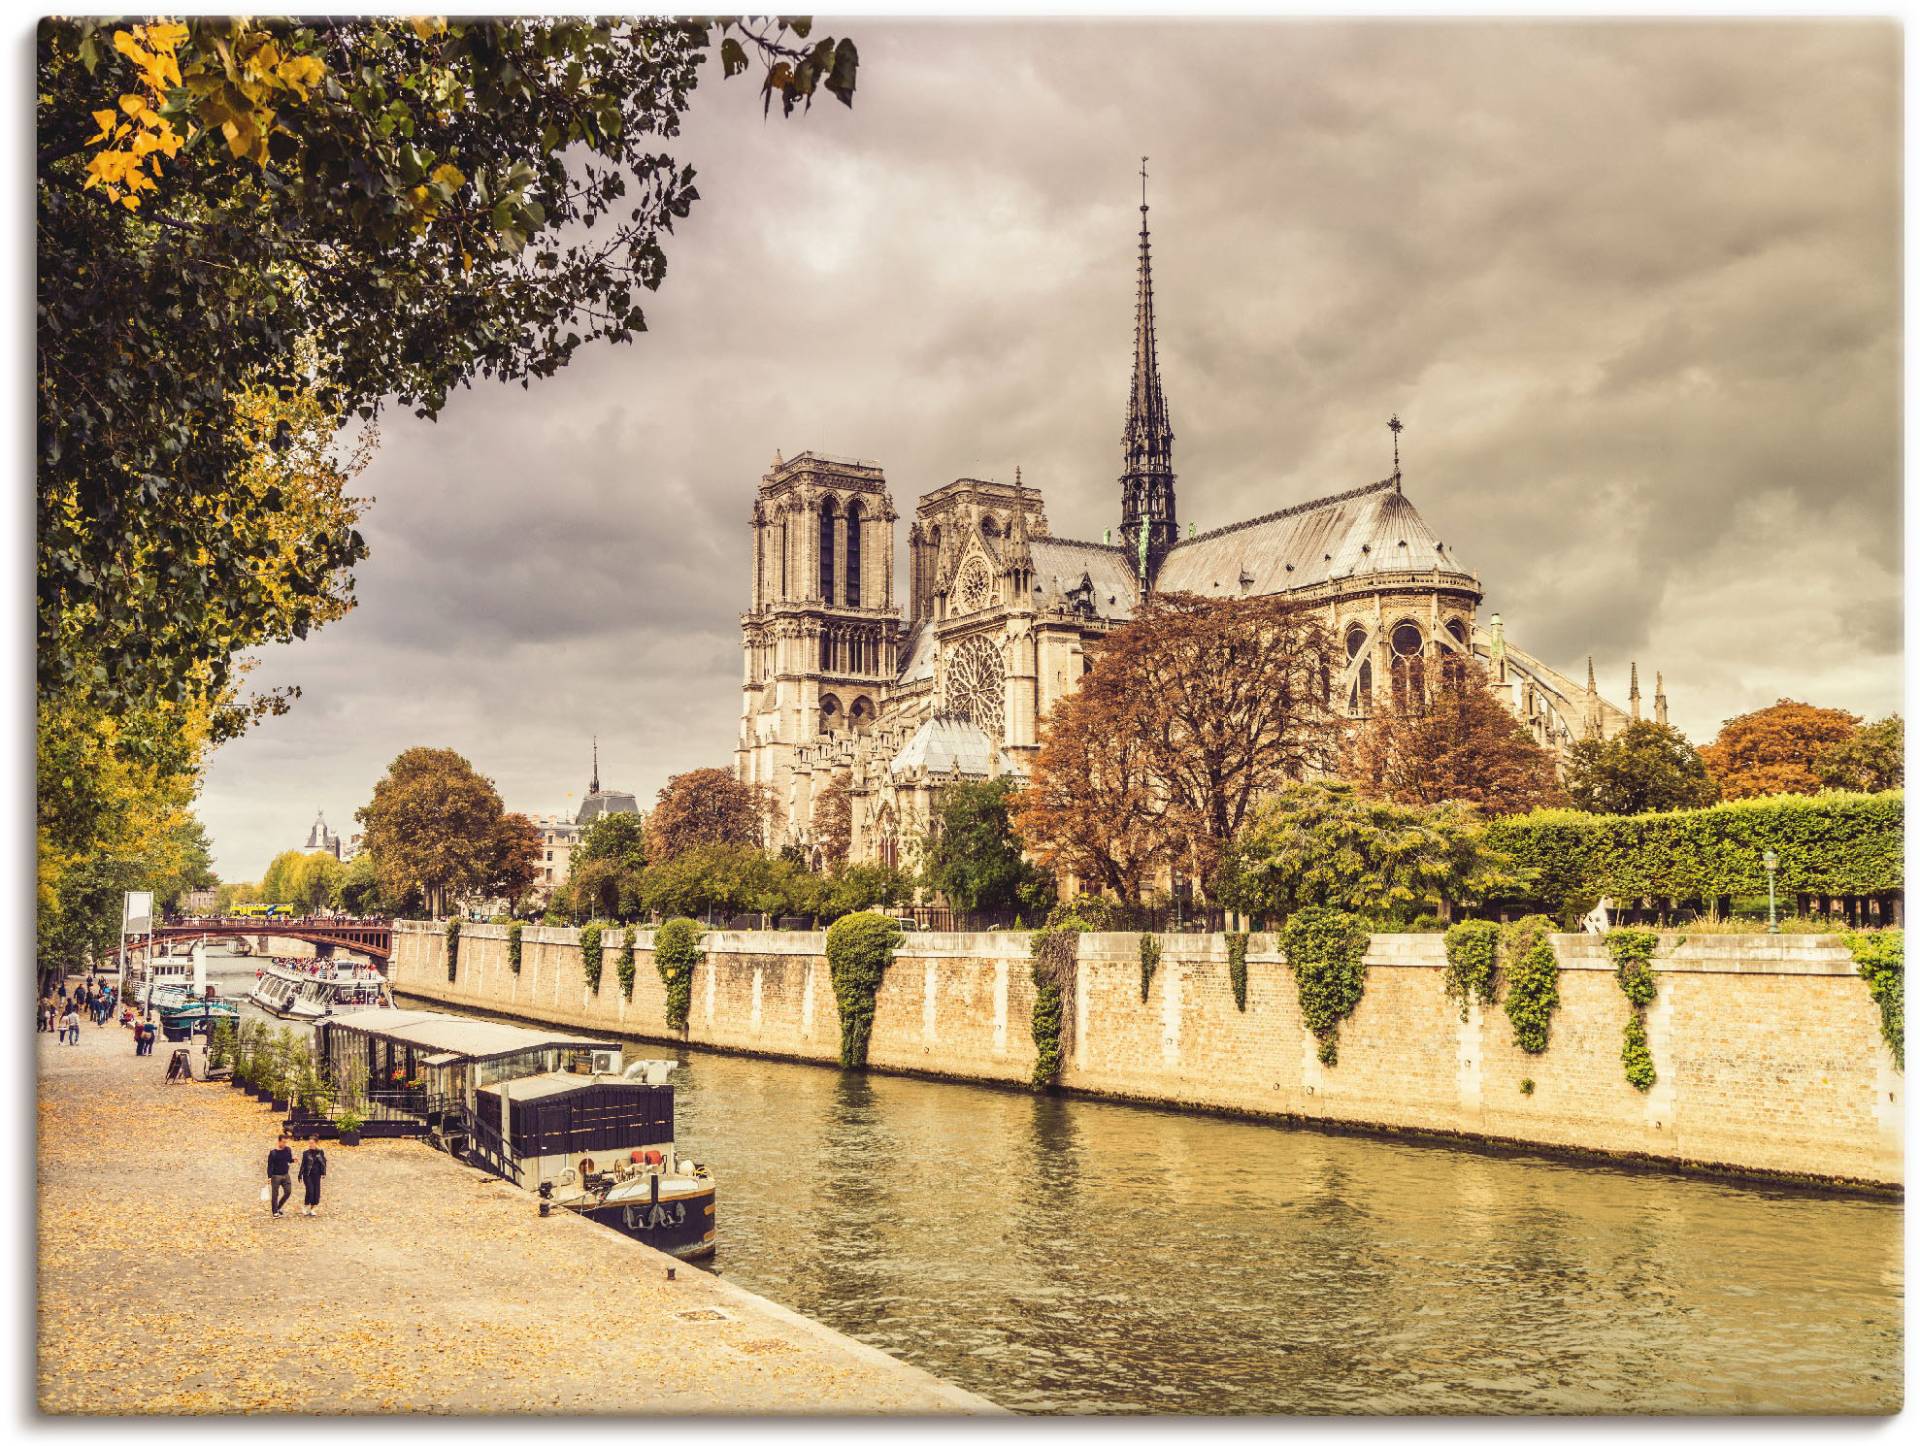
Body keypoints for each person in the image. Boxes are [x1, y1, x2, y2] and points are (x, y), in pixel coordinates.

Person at [266, 1134, 294, 1217]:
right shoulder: (273, 1153)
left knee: (288, 1192)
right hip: (276, 1176)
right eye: (283, 1142)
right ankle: (275, 1211)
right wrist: (269, 1177)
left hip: (286, 1175)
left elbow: (289, 1159)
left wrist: (293, 1160)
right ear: (279, 1142)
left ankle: (278, 1207)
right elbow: (270, 1165)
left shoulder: (288, 1150)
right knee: (275, 1194)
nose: (284, 1144)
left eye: (286, 1142)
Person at [298, 1142, 328, 1217]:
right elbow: (303, 1164)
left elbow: (323, 1162)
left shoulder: (320, 1152)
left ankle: (312, 1209)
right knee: (310, 1190)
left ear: (316, 1143)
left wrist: (323, 1172)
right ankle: (305, 1206)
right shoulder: (306, 1153)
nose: (310, 1145)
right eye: (309, 1143)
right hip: (307, 1175)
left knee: (316, 1192)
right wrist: (299, 1175)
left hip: (316, 1175)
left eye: (312, 1143)